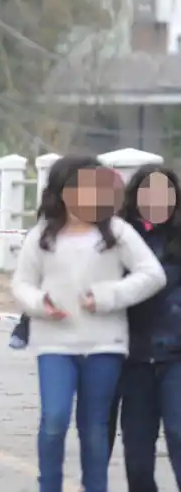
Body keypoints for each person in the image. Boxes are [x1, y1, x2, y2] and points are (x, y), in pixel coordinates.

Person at [11, 155, 165, 492]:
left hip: (104, 344)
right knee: (54, 419)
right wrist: (40, 302)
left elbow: (153, 275)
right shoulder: (42, 235)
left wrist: (108, 296)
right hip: (54, 344)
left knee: (94, 427)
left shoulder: (117, 232)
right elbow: (21, 284)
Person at [106, 164, 181, 490]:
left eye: (165, 193)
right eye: (149, 193)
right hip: (133, 360)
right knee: (137, 454)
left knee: (179, 434)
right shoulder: (118, 241)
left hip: (176, 357)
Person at [9, 167, 128, 351]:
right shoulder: (53, 220)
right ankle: (23, 328)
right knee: (46, 285)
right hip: (59, 260)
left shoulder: (120, 224)